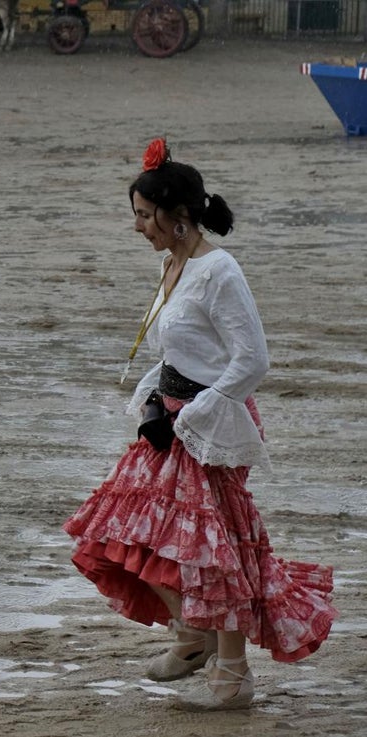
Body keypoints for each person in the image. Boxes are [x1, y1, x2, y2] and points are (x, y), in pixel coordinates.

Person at [63, 138, 337, 712]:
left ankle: (231, 672)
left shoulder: (220, 271)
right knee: (120, 528)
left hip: (211, 427)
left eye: (143, 215)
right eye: (134, 216)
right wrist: (153, 400)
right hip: (171, 419)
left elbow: (252, 360)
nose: (137, 227)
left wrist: (202, 411)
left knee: (211, 548)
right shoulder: (174, 264)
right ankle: (191, 637)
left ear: (177, 216)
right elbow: (178, 348)